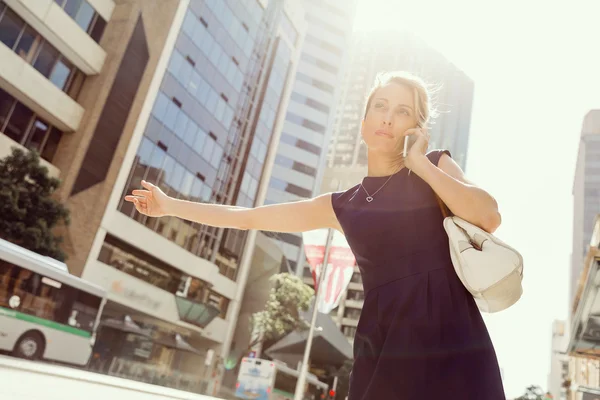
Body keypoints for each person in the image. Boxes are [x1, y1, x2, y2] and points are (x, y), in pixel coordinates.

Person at [125, 71, 505, 399]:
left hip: (452, 333)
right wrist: (171, 207)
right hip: (385, 340)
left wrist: (419, 163)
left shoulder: (433, 167)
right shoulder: (342, 205)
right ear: (363, 119)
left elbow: (488, 215)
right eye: (381, 106)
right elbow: (249, 218)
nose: (388, 118)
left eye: (402, 111)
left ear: (415, 129)